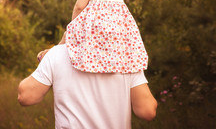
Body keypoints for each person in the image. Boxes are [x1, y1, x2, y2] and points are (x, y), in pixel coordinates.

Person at [18, 44, 157, 128]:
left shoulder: (58, 53)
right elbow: (148, 111)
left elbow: (25, 97)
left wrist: (55, 50)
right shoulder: (127, 56)